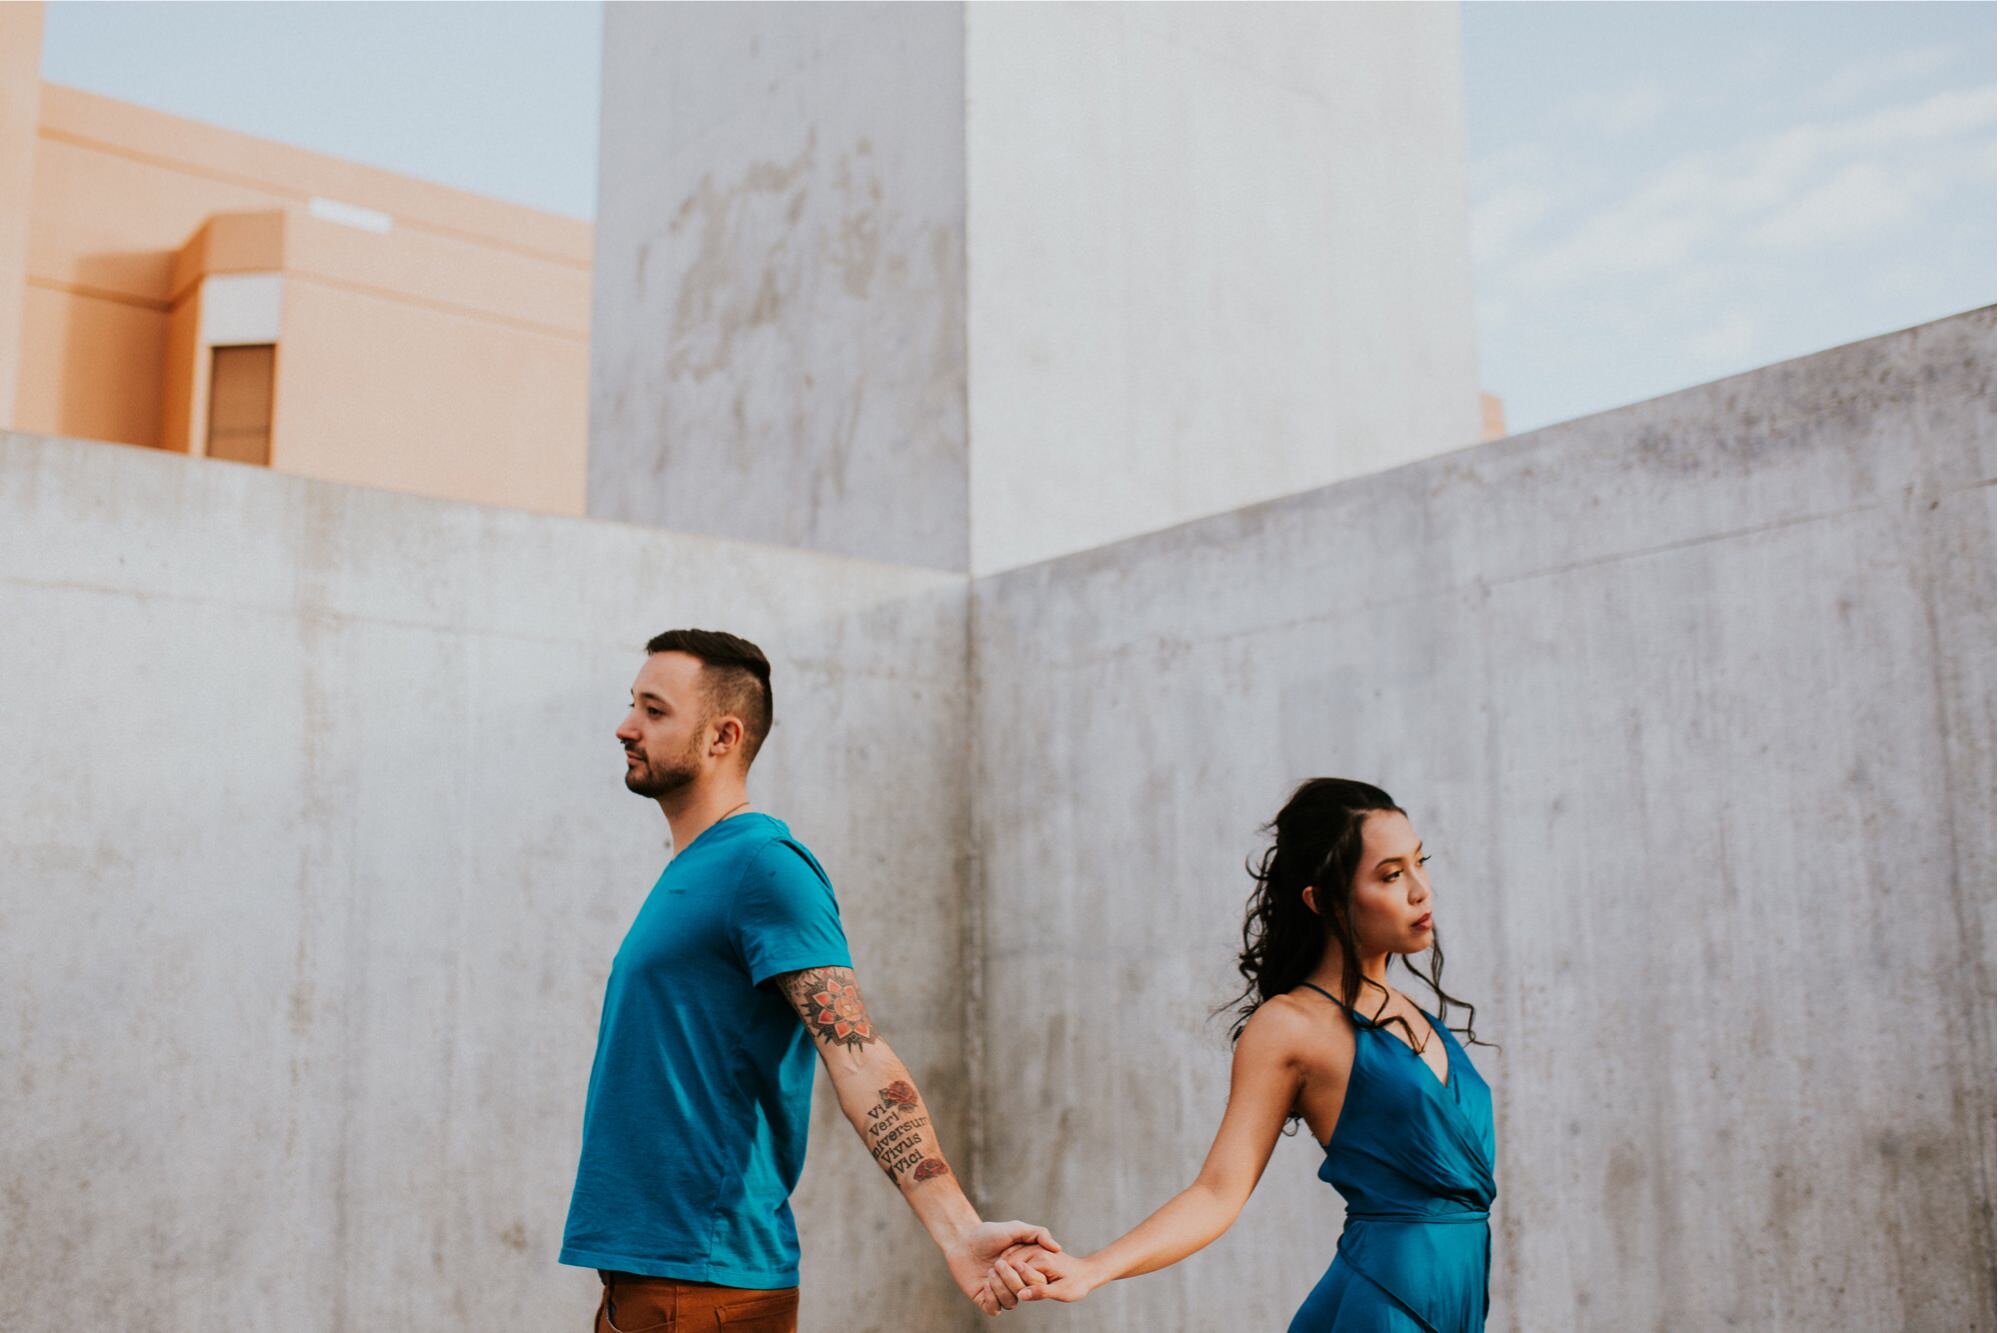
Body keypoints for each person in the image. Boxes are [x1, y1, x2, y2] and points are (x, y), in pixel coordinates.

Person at [560, 629, 1058, 1331]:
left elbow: (856, 1052)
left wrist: (958, 1229)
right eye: (631, 704)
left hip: (705, 1286)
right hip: (648, 1283)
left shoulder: (765, 865)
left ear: (721, 736)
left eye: (654, 709)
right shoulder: (694, 872)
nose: (625, 725)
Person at [983, 777, 1497, 1330]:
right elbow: (1217, 1191)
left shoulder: (1416, 1014)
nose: (1422, 891)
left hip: (1459, 1299)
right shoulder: (1289, 1027)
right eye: (1392, 875)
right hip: (1384, 1307)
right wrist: (1092, 1269)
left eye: (1421, 863)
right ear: (1322, 901)